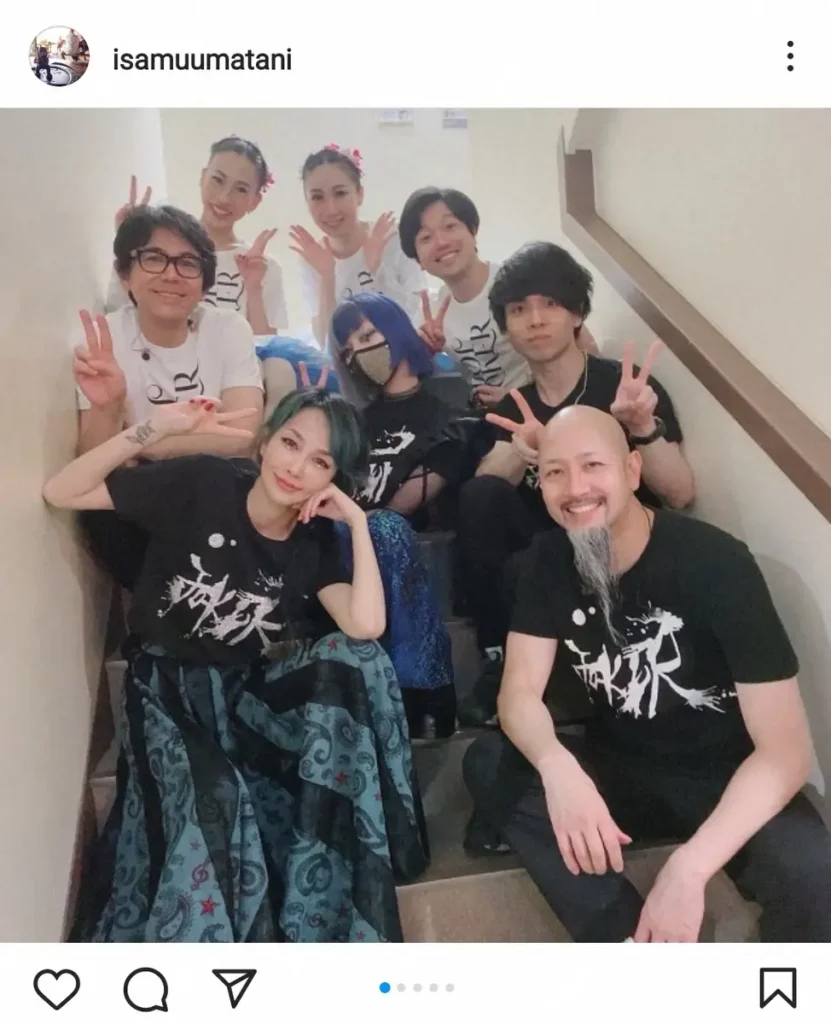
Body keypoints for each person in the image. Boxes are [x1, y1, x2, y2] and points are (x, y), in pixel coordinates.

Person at [44, 388, 429, 942]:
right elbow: (62, 490)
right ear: (266, 441)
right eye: (291, 443)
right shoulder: (204, 483)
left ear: (332, 478)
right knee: (215, 797)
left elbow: (364, 626)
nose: (296, 468)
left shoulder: (312, 539)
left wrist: (358, 523)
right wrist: (155, 430)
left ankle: (339, 872)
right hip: (165, 691)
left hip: (245, 691)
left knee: (356, 658)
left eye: (320, 462)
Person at [463, 405, 831, 942]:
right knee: (491, 760)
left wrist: (690, 868)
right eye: (556, 472)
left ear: (632, 471)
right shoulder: (547, 559)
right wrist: (557, 767)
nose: (576, 488)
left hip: (724, 776)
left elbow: (786, 754)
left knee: (814, 877)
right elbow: (518, 693)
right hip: (623, 768)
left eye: (593, 465)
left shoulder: (716, 563)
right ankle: (629, 946)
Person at [457, 241, 695, 729]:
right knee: (481, 497)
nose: (535, 320)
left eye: (550, 304)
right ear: (506, 327)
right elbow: (481, 498)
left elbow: (681, 494)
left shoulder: (623, 387)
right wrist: (523, 450)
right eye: (519, 310)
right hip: (545, 563)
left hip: (622, 550)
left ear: (577, 313)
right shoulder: (512, 409)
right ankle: (502, 658)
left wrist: (641, 427)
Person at [74, 204, 265, 590]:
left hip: (216, 490)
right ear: (125, 274)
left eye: (187, 263)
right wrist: (108, 406)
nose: (171, 274)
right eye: (153, 258)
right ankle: (165, 607)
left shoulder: (228, 328)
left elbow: (243, 435)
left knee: (226, 477)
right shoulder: (105, 339)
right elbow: (94, 461)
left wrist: (142, 442)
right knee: (101, 504)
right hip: (144, 504)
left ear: (204, 282)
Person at [330, 292, 464, 739]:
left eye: (368, 335)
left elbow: (413, 497)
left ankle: (425, 683)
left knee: (382, 526)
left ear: (397, 330)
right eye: (350, 347)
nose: (360, 352)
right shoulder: (353, 421)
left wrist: (362, 519)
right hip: (347, 534)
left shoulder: (443, 413)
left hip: (394, 534)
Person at [398, 187, 600, 409]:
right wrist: (433, 353)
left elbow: (586, 350)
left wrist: (525, 399)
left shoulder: (518, 282)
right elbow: (453, 371)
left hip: (549, 410)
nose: (441, 242)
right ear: (417, 259)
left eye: (450, 226)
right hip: (482, 421)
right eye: (425, 238)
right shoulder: (430, 314)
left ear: (473, 230)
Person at [108, 136, 288, 336]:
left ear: (255, 200)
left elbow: (265, 344)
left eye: (241, 189)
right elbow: (119, 315)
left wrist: (253, 286)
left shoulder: (263, 267)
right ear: (203, 177)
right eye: (217, 180)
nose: (224, 197)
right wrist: (126, 242)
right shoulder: (162, 250)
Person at [290, 145, 424, 347]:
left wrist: (376, 269)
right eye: (317, 197)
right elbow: (327, 344)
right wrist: (327, 276)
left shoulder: (392, 239)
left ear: (360, 194)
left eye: (340, 193)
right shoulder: (312, 258)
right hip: (350, 363)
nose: (331, 209)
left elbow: (415, 318)